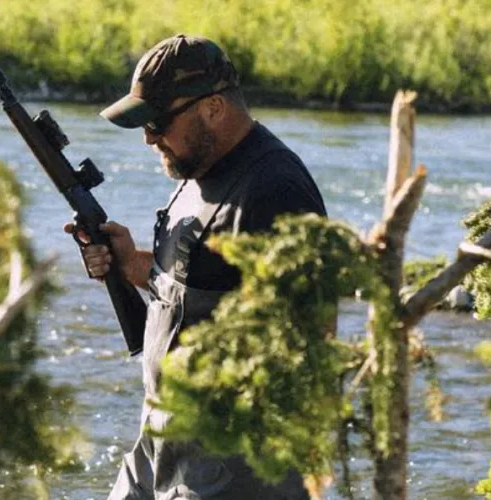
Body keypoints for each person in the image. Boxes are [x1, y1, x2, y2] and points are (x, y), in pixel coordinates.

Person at [64, 35, 327, 499]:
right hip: (160, 442)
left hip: (232, 468)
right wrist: (133, 265)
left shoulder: (275, 190)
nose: (149, 137)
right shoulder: (198, 170)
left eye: (159, 122)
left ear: (214, 108)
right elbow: (204, 283)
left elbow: (311, 335)